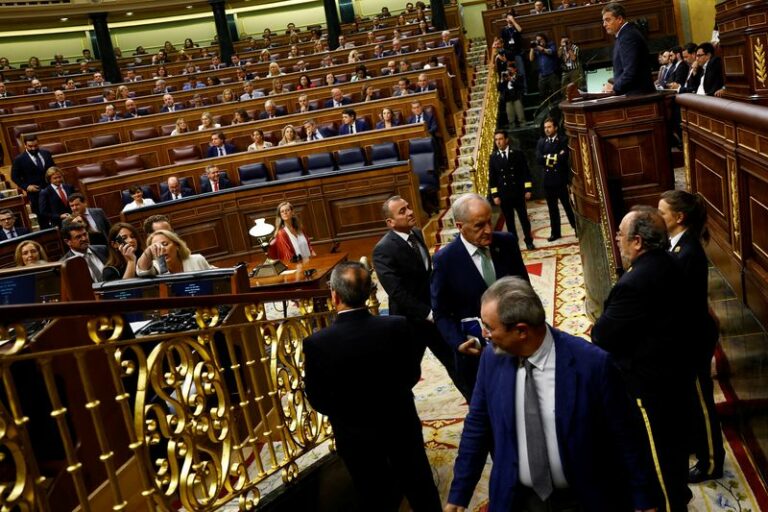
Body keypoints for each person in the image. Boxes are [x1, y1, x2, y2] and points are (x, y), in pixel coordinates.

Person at [445, 277, 659, 512]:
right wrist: (459, 493)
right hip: (518, 500)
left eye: (489, 327)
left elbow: (627, 436)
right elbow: (478, 424)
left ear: (521, 331)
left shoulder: (593, 365)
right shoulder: (491, 359)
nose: (483, 334)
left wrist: (644, 498)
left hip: (582, 500)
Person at [302, 262, 442, 512]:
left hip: (355, 436)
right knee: (421, 488)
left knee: (375, 495)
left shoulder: (316, 343)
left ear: (334, 295)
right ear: (368, 294)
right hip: (401, 424)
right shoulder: (397, 325)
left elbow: (318, 398)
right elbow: (412, 373)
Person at [591, 206, 696, 512]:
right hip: (674, 377)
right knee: (674, 451)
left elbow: (604, 336)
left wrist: (601, 326)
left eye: (621, 234)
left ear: (637, 242)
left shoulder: (634, 283)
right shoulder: (670, 262)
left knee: (658, 457)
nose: (617, 238)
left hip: (648, 388)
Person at [431, 193, 530, 402]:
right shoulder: (445, 260)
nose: (488, 230)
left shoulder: (506, 242)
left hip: (517, 344)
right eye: (479, 225)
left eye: (489, 222)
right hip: (477, 357)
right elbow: (440, 313)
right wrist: (458, 342)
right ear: (459, 226)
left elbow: (525, 289)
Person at [658, 190, 724, 483]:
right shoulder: (675, 247)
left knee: (701, 402)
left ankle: (711, 462)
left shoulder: (688, 253)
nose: (658, 217)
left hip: (692, 340)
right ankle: (695, 445)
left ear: (679, 217)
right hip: (686, 338)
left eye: (662, 213)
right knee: (690, 399)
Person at [373, 195, 460, 394]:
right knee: (407, 375)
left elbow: (426, 275)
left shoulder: (418, 233)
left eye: (408, 207)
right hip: (409, 322)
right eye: (402, 211)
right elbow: (397, 292)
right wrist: (428, 313)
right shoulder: (383, 250)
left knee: (454, 361)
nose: (410, 212)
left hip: (433, 314)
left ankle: (478, 405)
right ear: (390, 222)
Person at [488, 130, 535, 250]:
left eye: (500, 139)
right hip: (504, 195)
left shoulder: (517, 153)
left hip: (518, 192)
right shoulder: (493, 157)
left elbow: (526, 172)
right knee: (509, 222)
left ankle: (528, 240)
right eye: (496, 139)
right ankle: (514, 243)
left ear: (506, 139)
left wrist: (528, 189)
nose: (498, 142)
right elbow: (492, 179)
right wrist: (495, 196)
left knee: (524, 219)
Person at [601, 3, 655, 95]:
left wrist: (614, 87)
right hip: (633, 94)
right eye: (603, 21)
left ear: (619, 19)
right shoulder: (623, 35)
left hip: (638, 96)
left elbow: (631, 72)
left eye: (608, 20)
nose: (604, 24)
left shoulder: (628, 37)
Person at [536, 118, 576, 242]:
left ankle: (577, 229)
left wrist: (547, 158)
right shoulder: (541, 142)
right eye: (545, 127)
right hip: (548, 181)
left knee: (568, 207)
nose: (547, 130)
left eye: (549, 127)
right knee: (552, 209)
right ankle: (555, 233)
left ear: (555, 128)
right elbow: (538, 159)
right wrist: (555, 157)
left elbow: (563, 157)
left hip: (561, 180)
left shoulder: (563, 140)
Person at [11, 134, 56, 217]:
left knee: (57, 213)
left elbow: (53, 169)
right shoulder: (19, 159)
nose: (33, 148)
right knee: (42, 217)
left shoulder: (46, 154)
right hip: (35, 193)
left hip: (51, 189)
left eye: (35, 145)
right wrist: (26, 186)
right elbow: (14, 177)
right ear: (25, 145)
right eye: (30, 146)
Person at [136, 229, 213, 276]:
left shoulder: (197, 260)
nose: (161, 249)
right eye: (155, 247)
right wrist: (149, 250)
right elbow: (143, 271)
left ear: (177, 245)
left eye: (165, 244)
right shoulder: (156, 266)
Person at [529, 33, 560, 105]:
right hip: (542, 75)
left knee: (556, 93)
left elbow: (551, 52)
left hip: (552, 74)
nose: (539, 41)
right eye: (537, 40)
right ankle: (547, 113)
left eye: (540, 40)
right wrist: (532, 48)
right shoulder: (536, 48)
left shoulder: (551, 44)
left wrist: (540, 47)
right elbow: (531, 59)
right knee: (542, 95)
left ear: (544, 39)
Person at [499, 61, 525, 128]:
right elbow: (500, 88)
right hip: (508, 99)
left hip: (516, 97)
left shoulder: (519, 76)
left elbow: (520, 86)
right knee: (510, 117)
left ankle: (523, 127)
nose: (509, 71)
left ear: (515, 69)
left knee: (520, 116)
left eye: (510, 69)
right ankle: (512, 128)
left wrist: (511, 79)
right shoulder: (505, 78)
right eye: (508, 70)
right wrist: (502, 80)